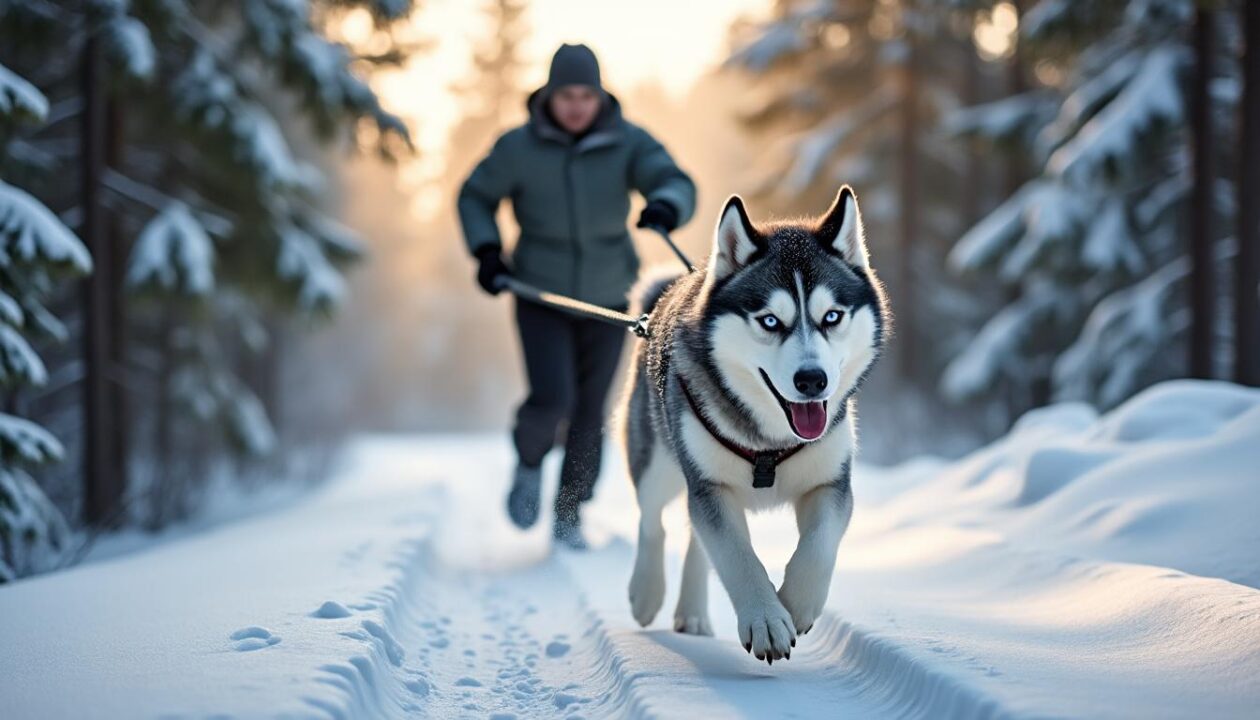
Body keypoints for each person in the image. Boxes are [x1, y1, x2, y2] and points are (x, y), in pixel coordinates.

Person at [457, 43, 696, 549]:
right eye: (566, 94)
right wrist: (486, 251)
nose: (575, 105)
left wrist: (665, 206)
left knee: (590, 410)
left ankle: (570, 513)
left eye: (585, 94)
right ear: (549, 94)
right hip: (539, 294)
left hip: (610, 299)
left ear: (599, 95)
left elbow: (672, 179)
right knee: (554, 398)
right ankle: (528, 462)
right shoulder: (519, 147)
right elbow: (475, 196)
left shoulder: (627, 141)